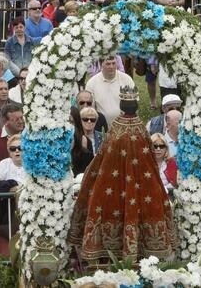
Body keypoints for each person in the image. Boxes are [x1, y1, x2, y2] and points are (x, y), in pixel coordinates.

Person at [68, 87, 177, 264]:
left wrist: (90, 177)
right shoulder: (139, 130)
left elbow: (102, 159)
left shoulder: (117, 130)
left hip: (115, 187)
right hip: (136, 187)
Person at [0, 134, 27, 255]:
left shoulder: (32, 164)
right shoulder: (4, 164)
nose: (17, 151)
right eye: (13, 148)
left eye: (20, 148)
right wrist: (12, 186)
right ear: (9, 152)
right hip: (7, 214)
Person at [85, 56, 135, 123]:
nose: (111, 67)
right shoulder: (91, 83)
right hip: (102, 128)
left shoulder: (127, 80)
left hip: (124, 125)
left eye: (113, 63)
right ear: (101, 64)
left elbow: (134, 106)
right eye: (108, 64)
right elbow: (90, 110)